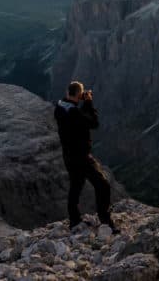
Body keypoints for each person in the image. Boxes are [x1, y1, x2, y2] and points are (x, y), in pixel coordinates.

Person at [54, 81, 118, 232]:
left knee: (76, 186)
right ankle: (105, 221)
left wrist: (81, 104)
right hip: (81, 156)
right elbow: (93, 123)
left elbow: (77, 118)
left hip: (68, 156)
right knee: (102, 185)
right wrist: (89, 102)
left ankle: (74, 221)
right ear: (78, 94)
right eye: (81, 94)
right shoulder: (74, 112)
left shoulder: (60, 107)